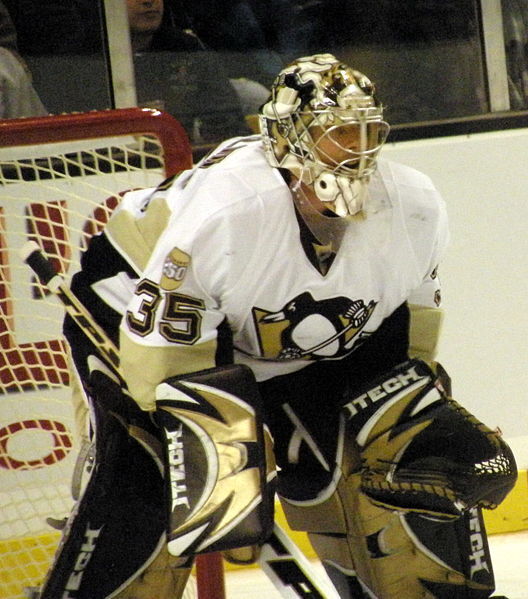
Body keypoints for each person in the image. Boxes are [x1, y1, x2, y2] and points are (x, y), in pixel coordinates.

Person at [41, 54, 516, 598]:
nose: (354, 148)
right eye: (335, 132)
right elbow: (166, 361)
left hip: (289, 342)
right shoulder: (229, 213)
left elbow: (405, 344)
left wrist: (411, 420)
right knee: (149, 477)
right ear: (285, 138)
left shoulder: (414, 206)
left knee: (393, 454)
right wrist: (219, 460)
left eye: (365, 131)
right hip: (133, 315)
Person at [126, 0, 252, 145]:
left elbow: (230, 128)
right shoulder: (96, 58)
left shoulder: (184, 48)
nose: (149, 2)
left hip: (182, 161)